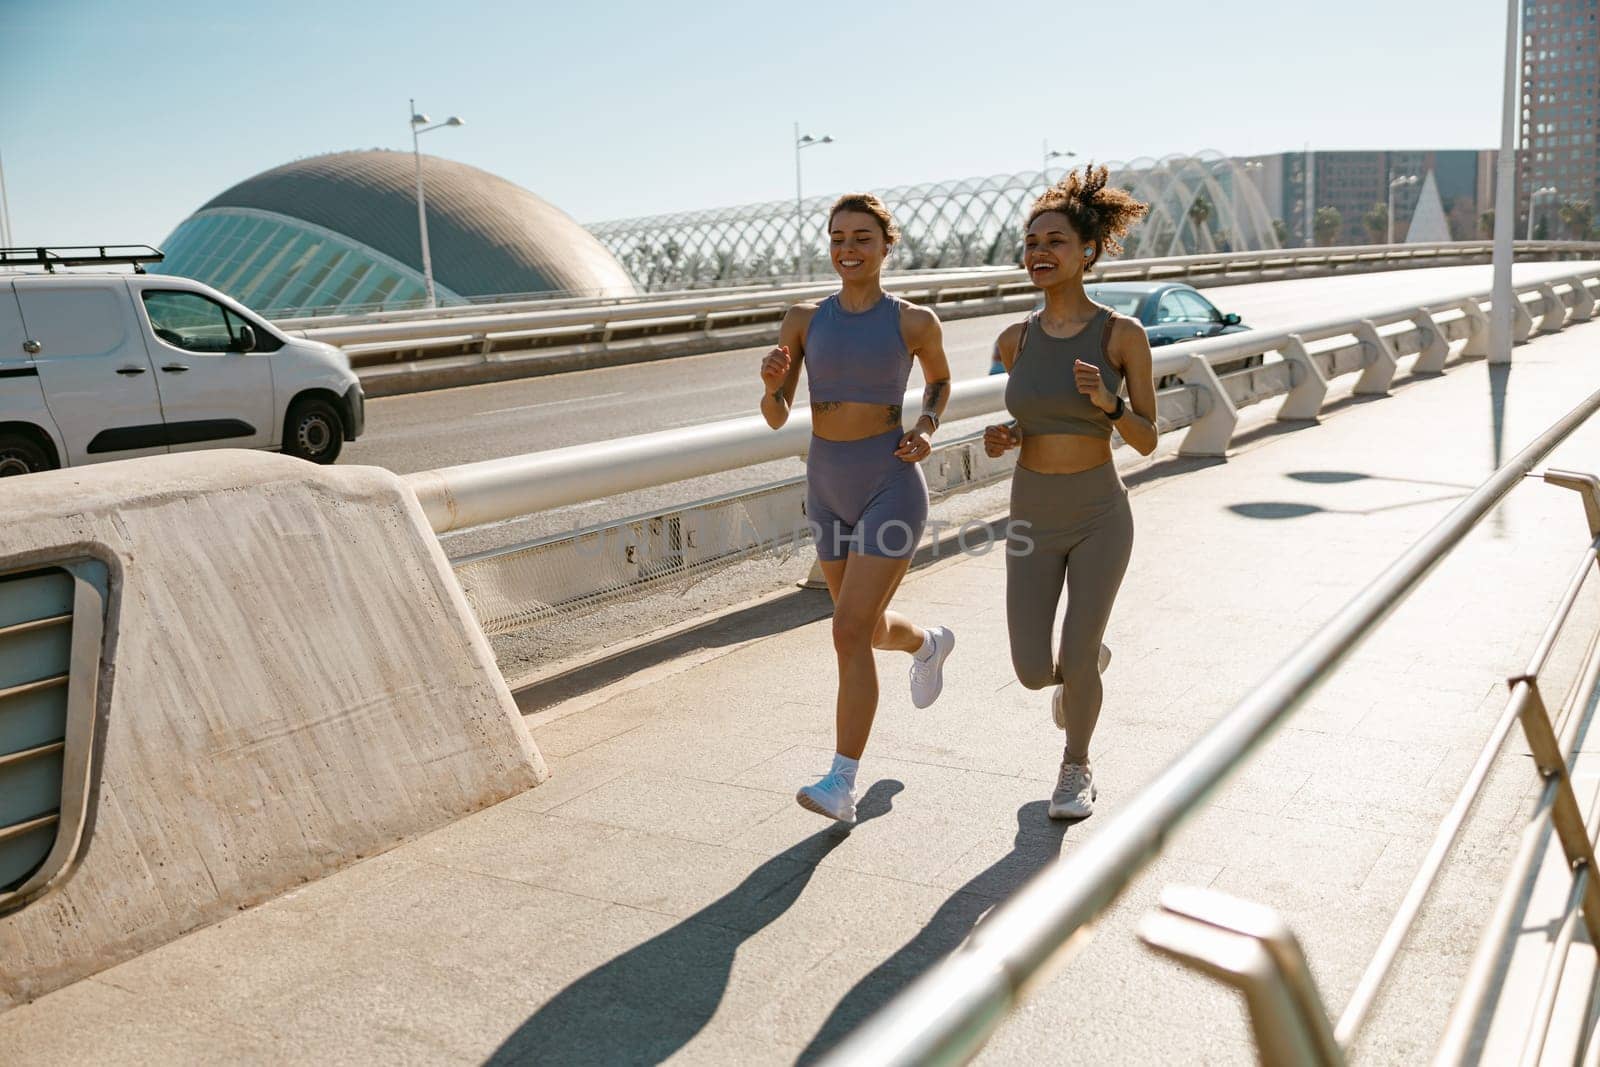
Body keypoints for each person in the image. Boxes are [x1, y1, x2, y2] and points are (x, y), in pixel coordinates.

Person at [759, 193, 954, 825]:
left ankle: (841, 781)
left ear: (885, 245)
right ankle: (927, 643)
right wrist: (769, 384)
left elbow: (941, 380)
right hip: (827, 486)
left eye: (863, 237)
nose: (849, 248)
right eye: (839, 237)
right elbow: (776, 415)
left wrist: (926, 424)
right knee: (864, 628)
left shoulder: (913, 321)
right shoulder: (803, 319)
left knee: (845, 631)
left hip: (889, 484)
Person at [984, 165, 1158, 819]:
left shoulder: (1121, 335)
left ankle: (1075, 766)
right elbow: (1031, 416)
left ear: (1087, 251)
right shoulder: (1015, 339)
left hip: (1098, 514)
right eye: (1031, 243)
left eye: (1053, 241)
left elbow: (1147, 439)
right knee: (1034, 668)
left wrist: (1108, 402)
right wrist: (1007, 434)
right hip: (1031, 512)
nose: (1038, 253)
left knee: (1075, 653)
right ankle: (1082, 669)